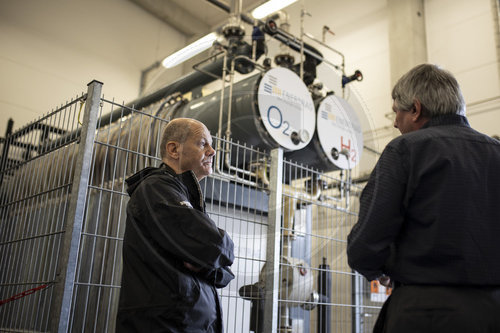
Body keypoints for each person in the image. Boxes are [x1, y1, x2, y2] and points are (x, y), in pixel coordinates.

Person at [347, 64, 500, 332]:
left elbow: (368, 238)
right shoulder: (496, 152)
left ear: (415, 110)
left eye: (396, 112)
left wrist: (374, 269)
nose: (394, 122)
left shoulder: (405, 150)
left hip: (425, 311)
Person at [116, 118, 235, 332]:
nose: (213, 151)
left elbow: (224, 273)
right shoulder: (156, 188)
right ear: (174, 149)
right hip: (164, 325)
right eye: (202, 143)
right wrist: (215, 253)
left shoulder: (182, 195)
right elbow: (215, 246)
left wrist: (210, 263)